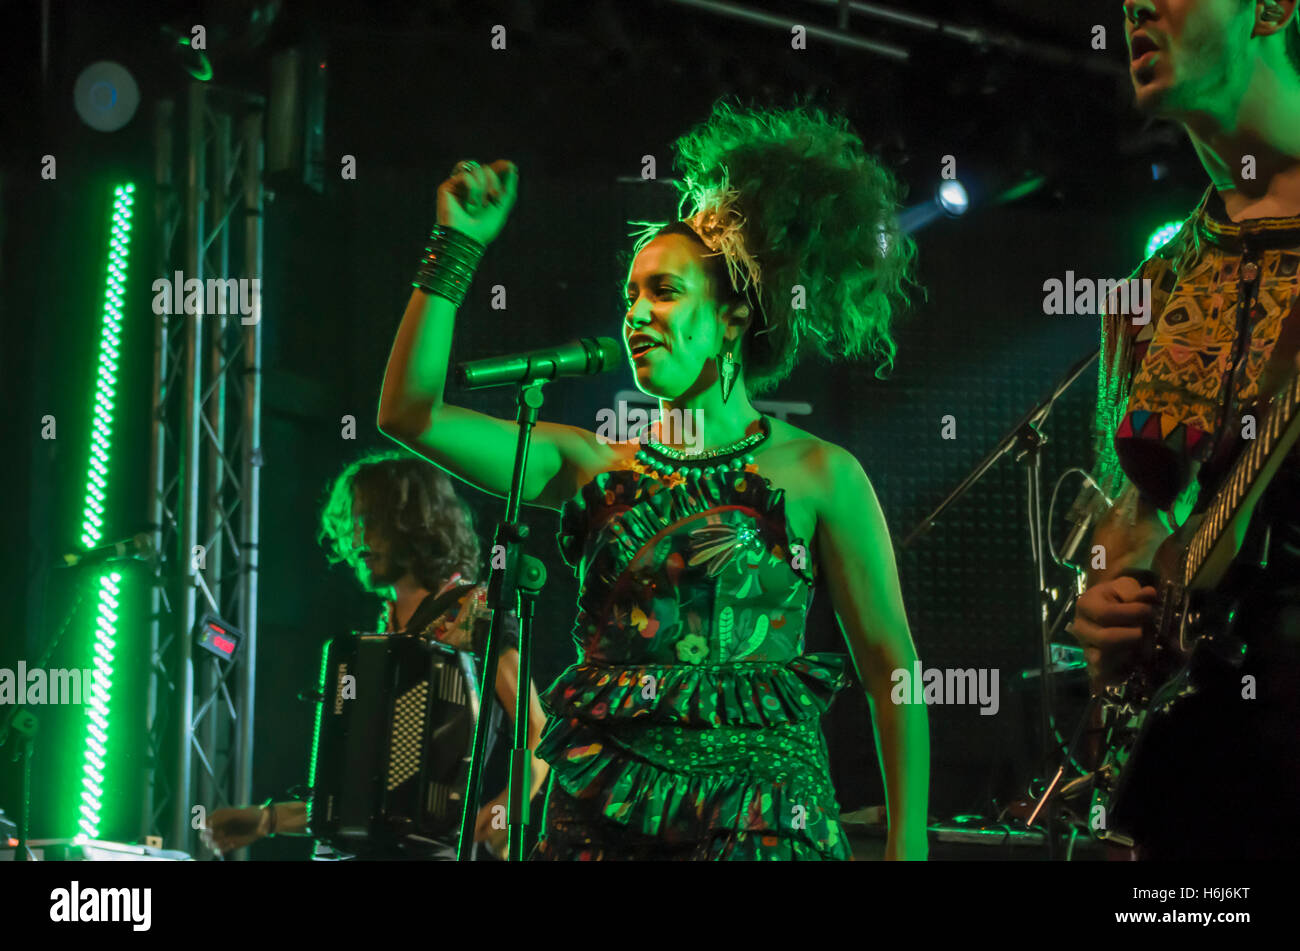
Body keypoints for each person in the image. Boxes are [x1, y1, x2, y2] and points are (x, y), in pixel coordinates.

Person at [378, 100, 930, 860]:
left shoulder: (820, 473)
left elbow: (891, 669)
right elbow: (409, 413)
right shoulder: (591, 465)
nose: (636, 314)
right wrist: (455, 248)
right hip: (602, 810)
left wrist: (909, 851)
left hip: (761, 815)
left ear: (732, 315)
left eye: (664, 291)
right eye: (631, 296)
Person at [1070, 0, 1300, 859]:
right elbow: (1134, 517)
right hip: (1199, 777)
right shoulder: (1154, 283)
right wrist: (1108, 605)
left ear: (1271, 7)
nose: (1134, 3)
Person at [207, 450, 549, 859]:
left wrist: (504, 809)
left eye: (370, 520)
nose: (356, 536)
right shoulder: (376, 637)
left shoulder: (472, 611)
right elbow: (364, 797)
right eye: (350, 522)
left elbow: (538, 728)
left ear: (414, 523)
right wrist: (267, 820)